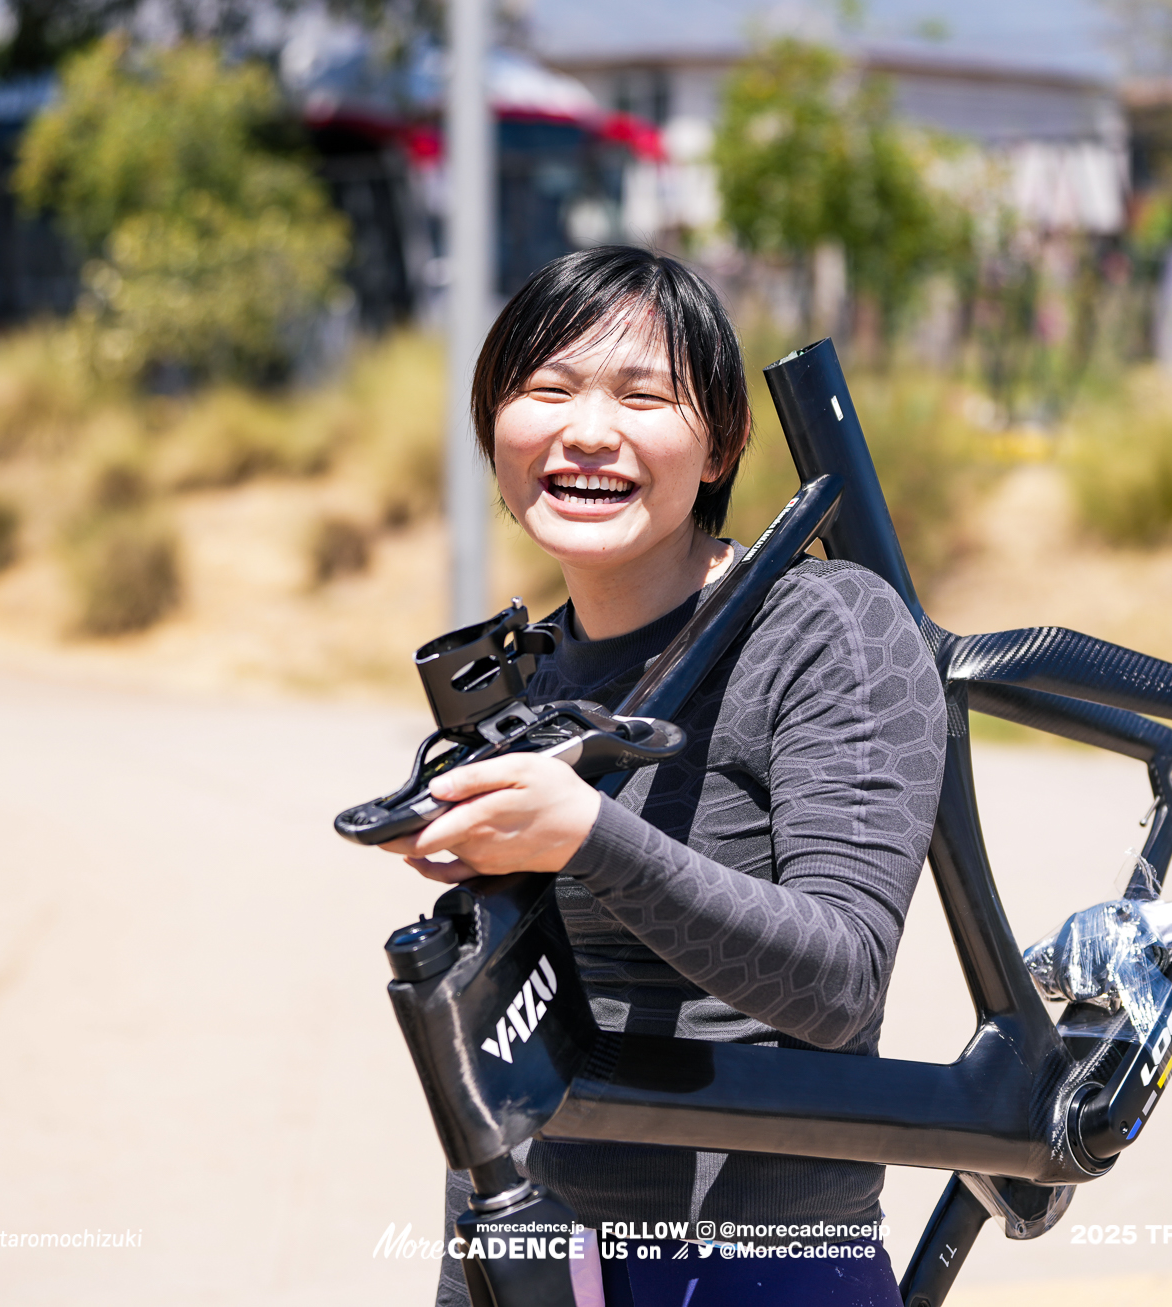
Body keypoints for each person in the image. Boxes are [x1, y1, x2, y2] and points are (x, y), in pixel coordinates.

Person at [379, 246, 946, 1307]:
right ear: (492, 431)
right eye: (545, 390)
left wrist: (589, 836)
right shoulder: (525, 677)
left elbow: (839, 982)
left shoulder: (829, 625)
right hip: (546, 1250)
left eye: (642, 397)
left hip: (765, 1266)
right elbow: (510, 1046)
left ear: (722, 441)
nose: (587, 431)